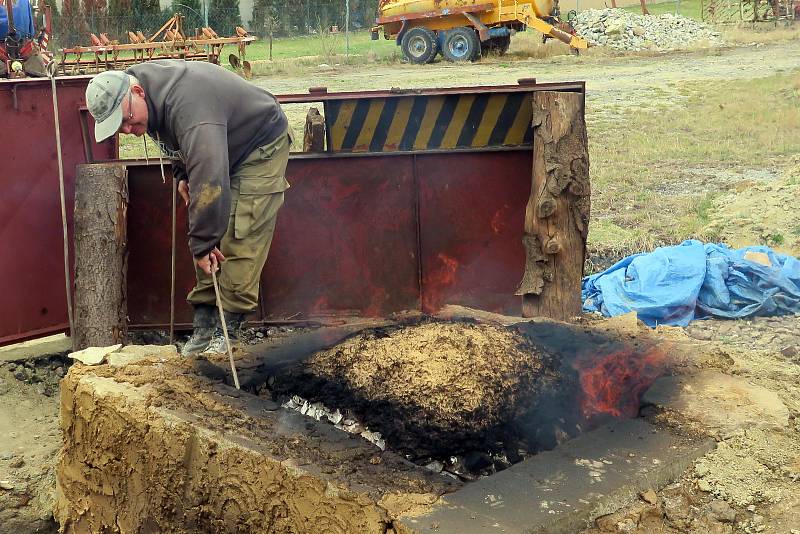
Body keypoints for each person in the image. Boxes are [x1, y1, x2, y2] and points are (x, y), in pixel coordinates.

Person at [84, 59, 291, 355]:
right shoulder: (147, 101)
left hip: (258, 146)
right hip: (219, 145)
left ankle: (226, 333)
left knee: (241, 232)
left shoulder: (187, 103)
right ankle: (205, 328)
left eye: (127, 119)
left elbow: (209, 172)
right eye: (121, 127)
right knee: (207, 233)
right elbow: (177, 142)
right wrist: (182, 174)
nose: (129, 129)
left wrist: (203, 242)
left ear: (138, 91)